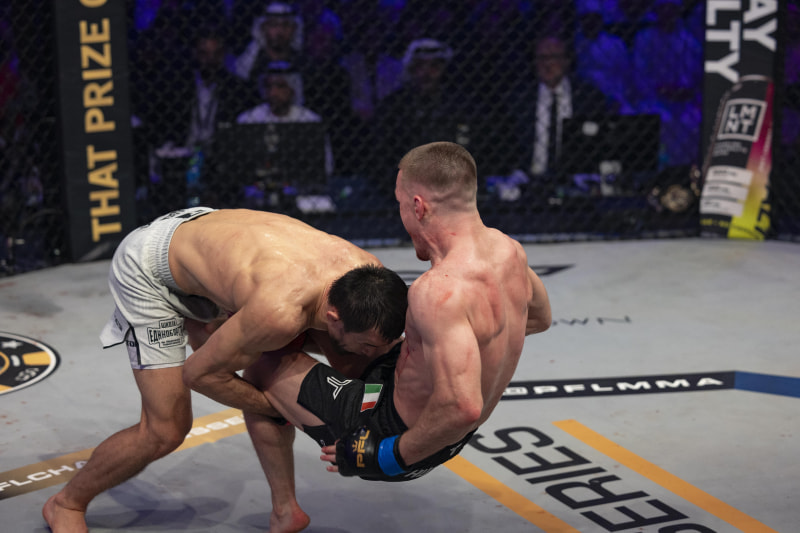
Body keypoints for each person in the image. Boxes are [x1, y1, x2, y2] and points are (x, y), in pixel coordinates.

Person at [240, 141, 551, 529]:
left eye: (401, 204)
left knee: (261, 358)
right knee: (327, 331)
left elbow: (462, 408)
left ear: (418, 207)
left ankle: (285, 509)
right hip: (450, 434)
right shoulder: (510, 251)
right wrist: (463, 348)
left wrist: (385, 454)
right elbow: (539, 318)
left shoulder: (437, 292)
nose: (401, 215)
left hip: (398, 436)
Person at [42, 207, 409, 533]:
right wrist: (274, 407)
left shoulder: (370, 276)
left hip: (216, 249)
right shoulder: (278, 313)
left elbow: (368, 357)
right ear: (333, 317)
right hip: (150, 268)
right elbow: (199, 375)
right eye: (366, 343)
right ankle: (66, 503)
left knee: (330, 363)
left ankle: (285, 511)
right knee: (166, 428)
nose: (371, 351)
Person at [512, 34, 614, 196]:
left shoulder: (588, 97)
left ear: (566, 61)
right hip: (529, 179)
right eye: (541, 58)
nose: (547, 64)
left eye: (553, 57)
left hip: (577, 179)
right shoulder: (520, 99)